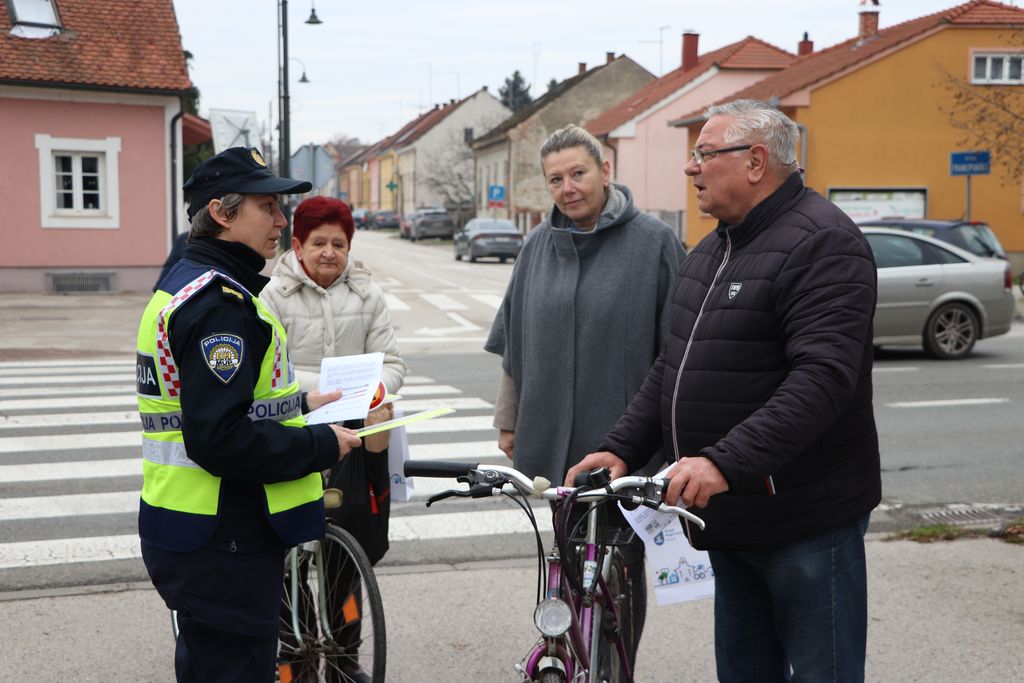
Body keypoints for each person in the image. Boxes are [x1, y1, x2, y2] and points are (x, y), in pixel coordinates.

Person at [567, 100, 881, 682]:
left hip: (804, 518)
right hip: (730, 517)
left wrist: (722, 461)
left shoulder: (823, 243)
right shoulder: (713, 249)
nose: (692, 168)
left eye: (705, 154)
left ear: (756, 161)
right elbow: (674, 365)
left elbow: (821, 379)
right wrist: (623, 447)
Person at [136, 146, 363, 683]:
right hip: (222, 537)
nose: (282, 223)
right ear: (222, 212)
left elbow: (227, 404)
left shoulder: (191, 281)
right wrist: (322, 446)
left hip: (198, 529)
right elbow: (218, 438)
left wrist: (301, 405)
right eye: (269, 207)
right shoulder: (219, 304)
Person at [485, 123, 686, 668]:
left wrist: (675, 442)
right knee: (565, 565)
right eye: (556, 179)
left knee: (619, 569)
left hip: (627, 445)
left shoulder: (654, 243)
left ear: (605, 171)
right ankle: (570, 661)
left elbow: (678, 350)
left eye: (578, 173)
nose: (568, 187)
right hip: (552, 441)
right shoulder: (536, 247)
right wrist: (510, 423)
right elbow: (515, 344)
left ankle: (618, 667)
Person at [260, 195, 406, 682]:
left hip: (355, 437)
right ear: (296, 245)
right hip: (293, 434)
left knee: (349, 554)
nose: (329, 252)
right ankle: (291, 663)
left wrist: (377, 388)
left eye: (338, 243)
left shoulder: (367, 296)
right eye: (318, 242)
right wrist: (320, 390)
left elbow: (392, 360)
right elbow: (267, 373)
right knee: (287, 558)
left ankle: (345, 658)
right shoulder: (272, 297)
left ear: (350, 246)